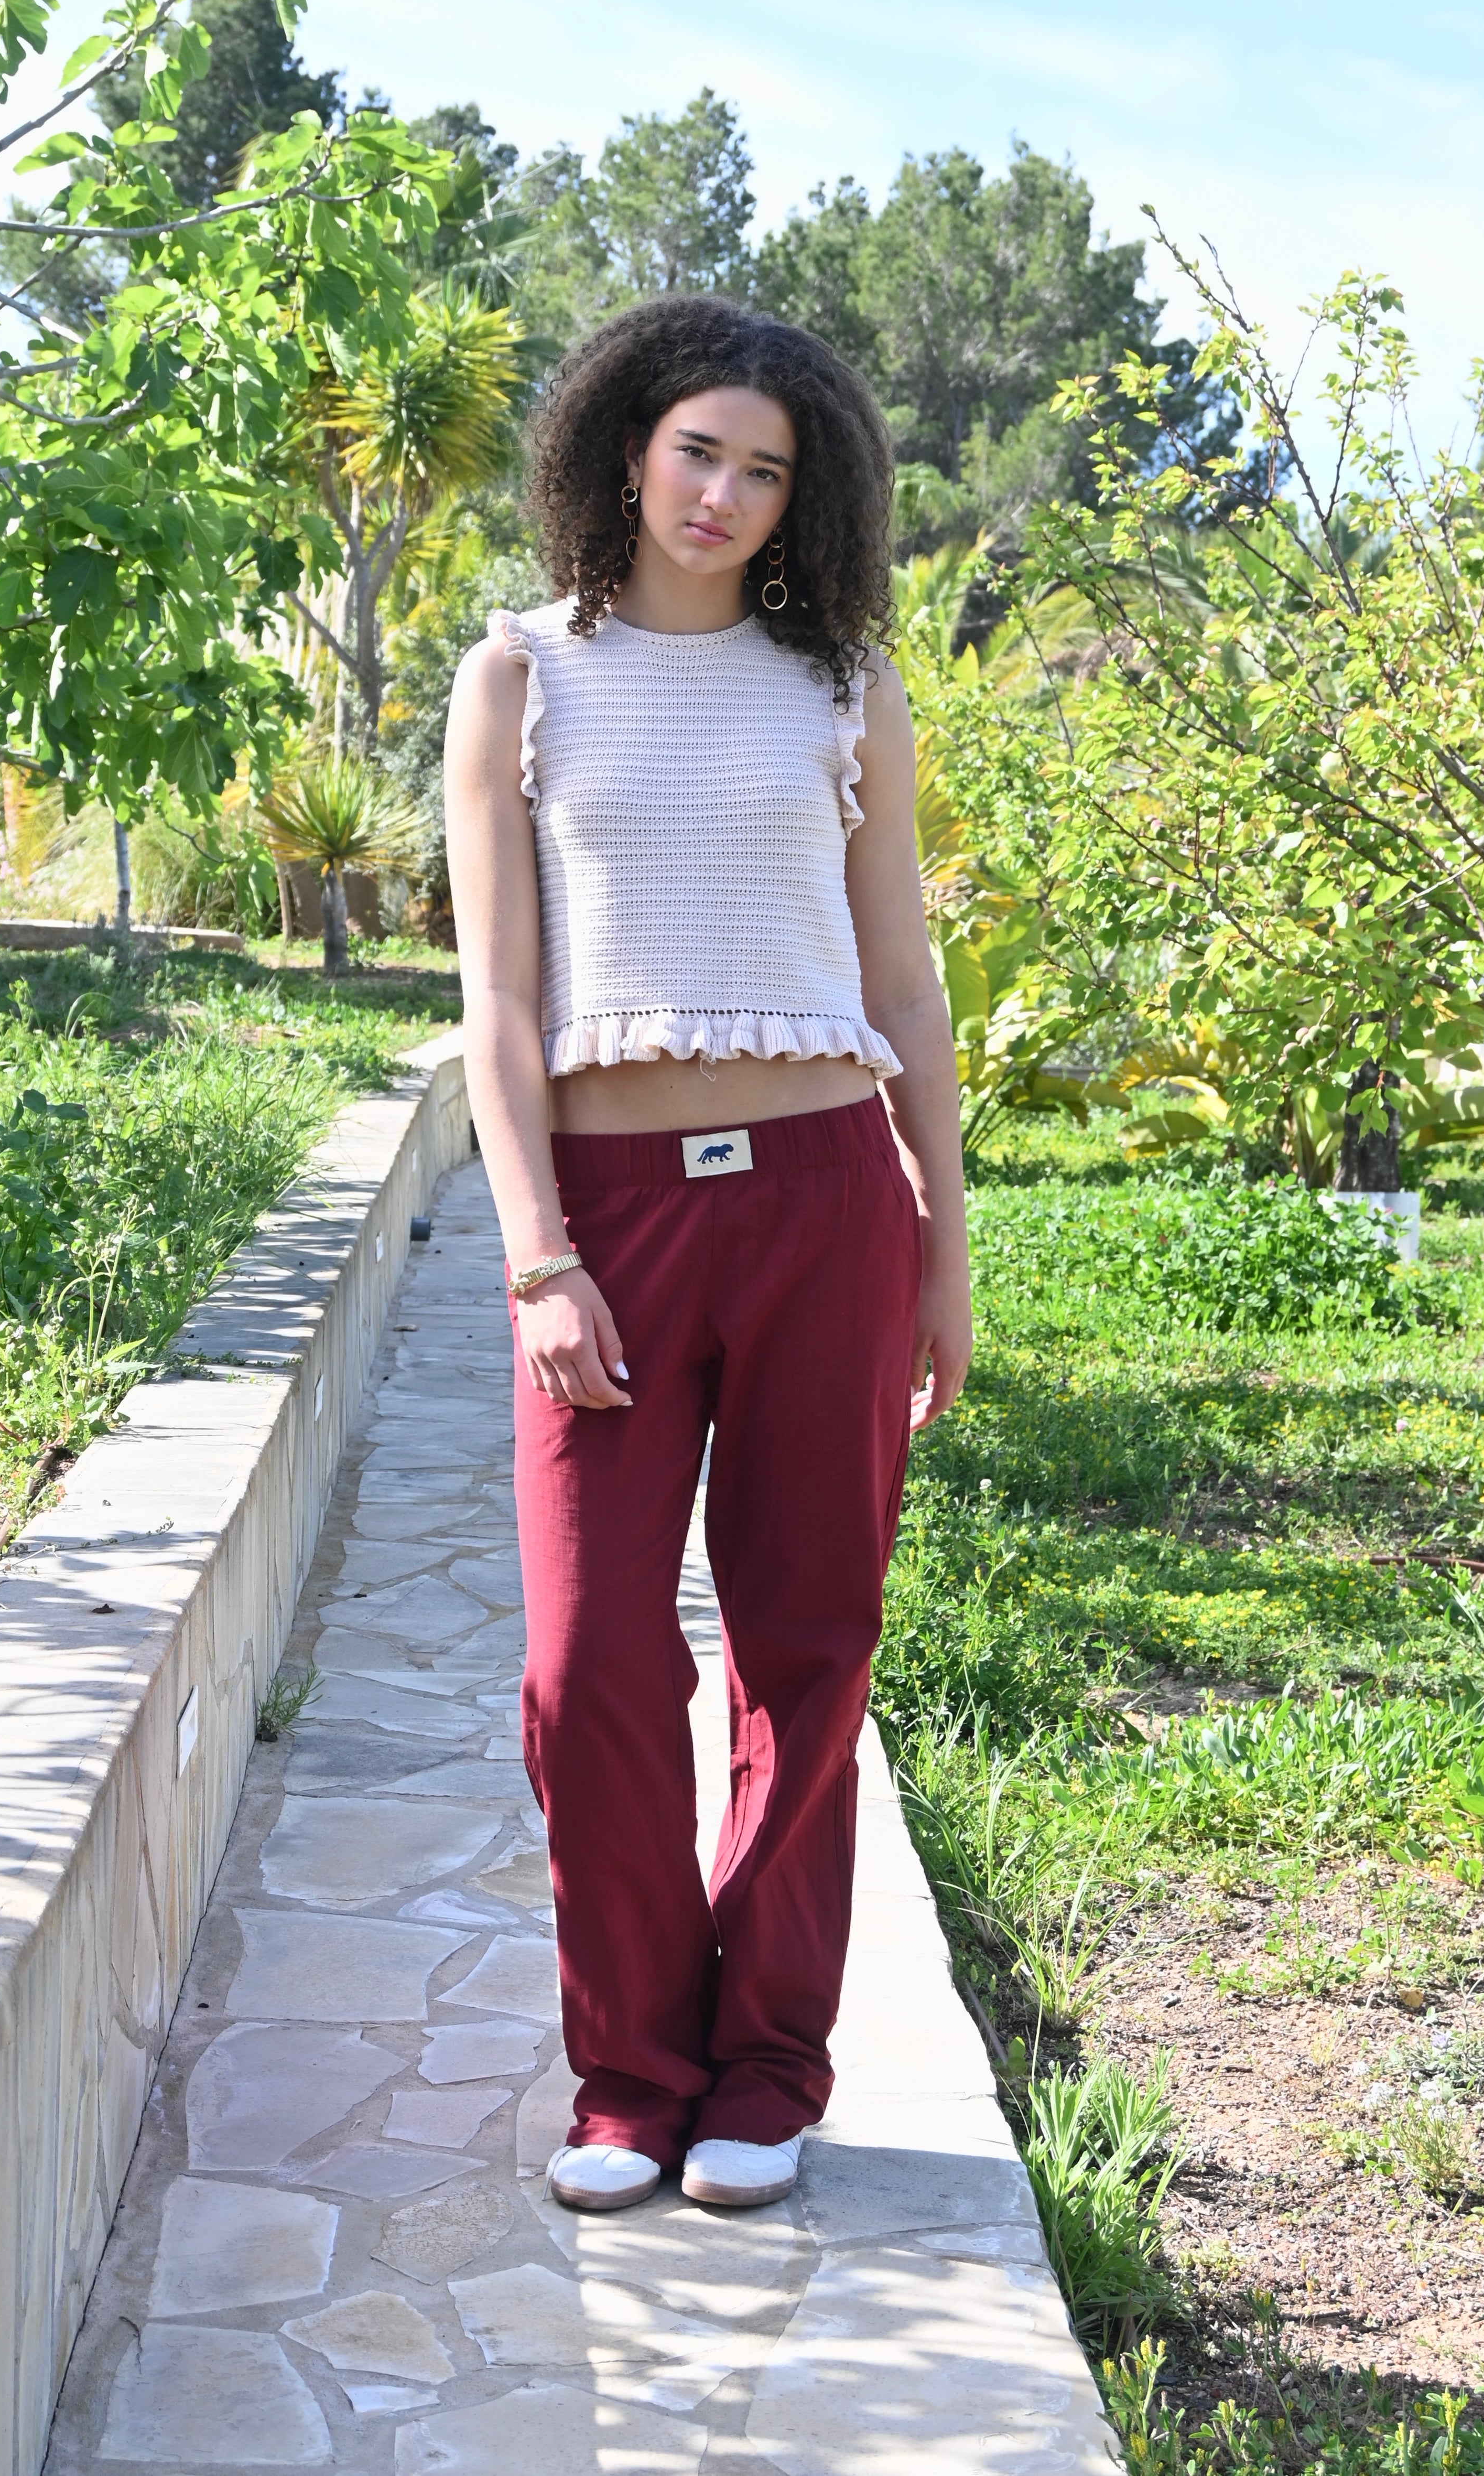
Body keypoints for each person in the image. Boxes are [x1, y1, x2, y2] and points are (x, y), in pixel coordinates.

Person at [443, 294, 971, 2216]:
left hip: (828, 1198)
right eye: (697, 452)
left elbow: (900, 976)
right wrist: (537, 1256)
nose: (724, 495)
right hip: (612, 1219)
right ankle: (631, 2071)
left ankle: (765, 2066)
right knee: (585, 1662)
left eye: (765, 468)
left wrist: (942, 1250)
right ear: (625, 448)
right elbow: (500, 1004)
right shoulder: (521, 677)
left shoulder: (839, 687)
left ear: (802, 494)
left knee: (807, 1645)